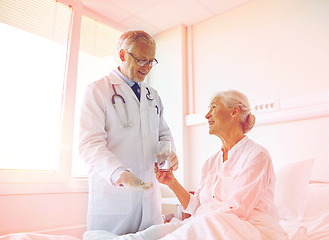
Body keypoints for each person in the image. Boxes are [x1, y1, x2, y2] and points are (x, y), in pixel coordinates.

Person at [83, 90, 307, 240]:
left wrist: (196, 222)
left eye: (213, 107)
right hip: (211, 223)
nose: (207, 115)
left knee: (199, 225)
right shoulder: (211, 162)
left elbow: (238, 210)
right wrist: (172, 183)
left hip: (250, 229)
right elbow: (197, 206)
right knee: (159, 231)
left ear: (234, 111)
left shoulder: (257, 155)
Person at [78, 30, 178, 235]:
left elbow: (163, 135)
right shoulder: (98, 90)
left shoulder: (152, 96)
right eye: (142, 60)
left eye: (151, 61)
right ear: (123, 55)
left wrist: (167, 155)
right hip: (114, 197)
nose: (147, 67)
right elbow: (89, 143)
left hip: (149, 200)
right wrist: (118, 173)